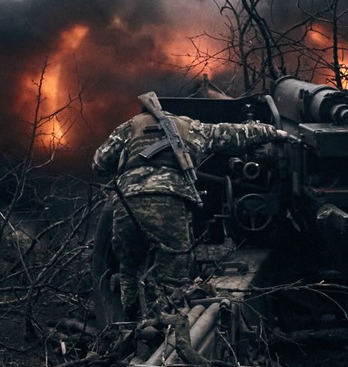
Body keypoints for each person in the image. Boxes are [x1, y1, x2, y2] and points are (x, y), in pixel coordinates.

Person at [92, 92, 287, 321]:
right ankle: (166, 331)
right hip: (170, 204)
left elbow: (99, 163)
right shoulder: (188, 126)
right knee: (172, 282)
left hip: (127, 204)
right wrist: (273, 132)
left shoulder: (128, 127)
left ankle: (126, 324)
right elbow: (232, 134)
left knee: (129, 271)